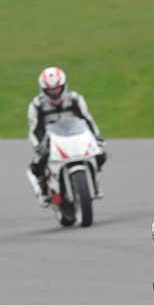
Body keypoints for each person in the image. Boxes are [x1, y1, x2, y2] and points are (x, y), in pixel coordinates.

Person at [28, 67, 107, 206]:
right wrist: (38, 146)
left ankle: (95, 183)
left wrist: (97, 137)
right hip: (50, 138)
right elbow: (34, 130)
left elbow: (88, 119)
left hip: (75, 134)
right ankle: (44, 189)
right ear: (44, 90)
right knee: (37, 164)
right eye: (50, 90)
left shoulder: (75, 99)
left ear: (63, 86)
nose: (54, 92)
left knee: (101, 154)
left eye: (57, 88)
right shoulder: (37, 105)